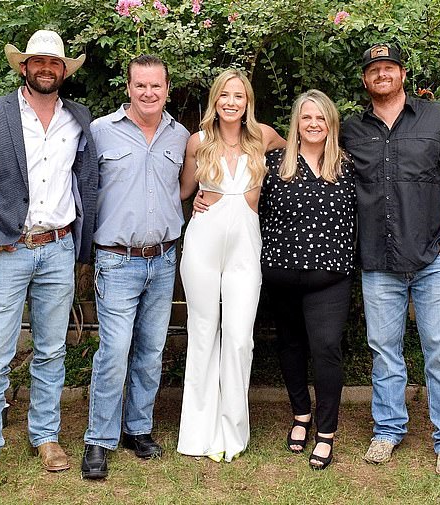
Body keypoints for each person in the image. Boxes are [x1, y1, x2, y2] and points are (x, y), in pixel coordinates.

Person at [0, 30, 98, 490]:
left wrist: (81, 242)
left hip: (57, 249)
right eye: (38, 62)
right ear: (24, 67)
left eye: (55, 63)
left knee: (52, 352)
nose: (47, 69)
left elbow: (86, 182)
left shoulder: (79, 118)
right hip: (7, 251)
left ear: (64, 70)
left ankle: (46, 436)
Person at [340, 44, 440, 477]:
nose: (381, 74)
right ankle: (388, 429)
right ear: (365, 79)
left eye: (389, 67)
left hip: (434, 257)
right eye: (374, 69)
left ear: (401, 74)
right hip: (378, 261)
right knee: (384, 351)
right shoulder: (351, 130)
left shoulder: (438, 118)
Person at [81, 54, 190, 479]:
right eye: (140, 85)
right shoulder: (100, 133)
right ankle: (98, 439)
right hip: (116, 259)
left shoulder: (179, 136)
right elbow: (80, 188)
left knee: (151, 351)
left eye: (156, 86)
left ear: (167, 88)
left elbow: (185, 186)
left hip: (163, 259)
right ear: (128, 87)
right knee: (114, 352)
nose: (148, 93)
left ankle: (138, 429)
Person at [177, 69, 285, 462]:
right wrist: (193, 202)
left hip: (246, 247)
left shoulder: (265, 136)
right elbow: (185, 191)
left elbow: (302, 154)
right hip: (203, 243)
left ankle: (232, 433)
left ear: (248, 102)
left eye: (238, 96)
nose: (231, 102)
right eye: (225, 95)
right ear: (215, 100)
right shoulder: (198, 141)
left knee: (239, 339)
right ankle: (196, 433)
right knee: (203, 335)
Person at [259, 90, 356, 470]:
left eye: (321, 118)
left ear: (331, 123)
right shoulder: (273, 163)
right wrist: (205, 200)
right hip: (281, 275)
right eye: (306, 118)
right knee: (290, 346)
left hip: (330, 277)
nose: (313, 124)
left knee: (327, 348)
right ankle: (301, 414)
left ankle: (327, 431)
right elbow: (243, 202)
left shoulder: (347, 166)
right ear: (296, 123)